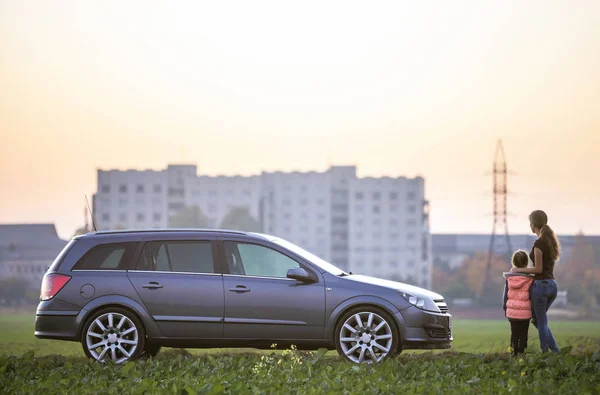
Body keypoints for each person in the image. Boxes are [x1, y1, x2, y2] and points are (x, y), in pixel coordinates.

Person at [511, 210, 560, 353]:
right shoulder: (550, 240)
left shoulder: (539, 243)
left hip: (542, 285)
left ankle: (545, 352)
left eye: (530, 223)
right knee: (539, 320)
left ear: (533, 224)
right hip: (552, 285)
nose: (530, 226)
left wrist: (518, 270)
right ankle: (555, 351)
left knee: (541, 321)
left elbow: (538, 269)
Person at [503, 250, 534, 356]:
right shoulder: (530, 279)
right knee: (523, 333)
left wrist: (505, 308)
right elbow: (532, 296)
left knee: (514, 333)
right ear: (526, 263)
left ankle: (514, 353)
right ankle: (522, 353)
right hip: (525, 312)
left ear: (514, 262)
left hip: (512, 312)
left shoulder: (509, 278)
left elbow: (505, 295)